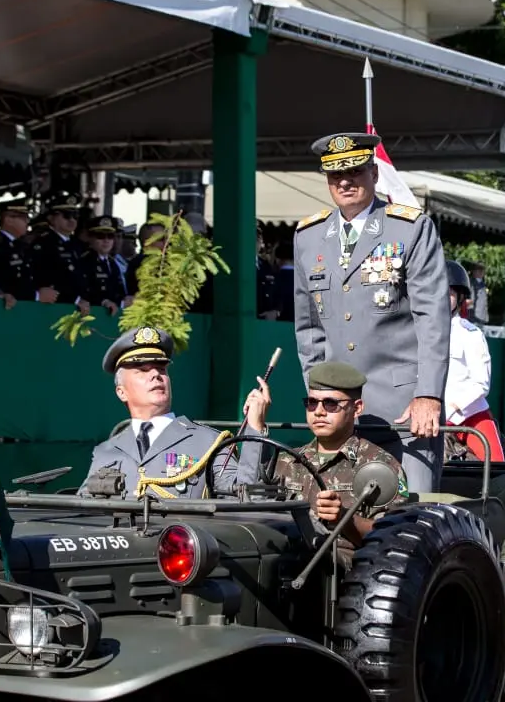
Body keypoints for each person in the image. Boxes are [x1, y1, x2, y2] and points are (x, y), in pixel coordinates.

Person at [292, 132, 450, 492]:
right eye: (335, 176)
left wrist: (428, 395)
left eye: (355, 172)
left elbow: (432, 319)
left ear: (374, 174)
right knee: (336, 519)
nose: (345, 182)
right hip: (338, 412)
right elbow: (309, 329)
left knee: (412, 515)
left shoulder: (409, 228)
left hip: (403, 410)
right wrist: (320, 397)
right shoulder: (309, 236)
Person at [80, 326, 269, 500]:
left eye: (161, 369)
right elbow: (84, 511)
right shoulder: (106, 451)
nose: (156, 375)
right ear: (121, 392)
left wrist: (254, 427)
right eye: (143, 370)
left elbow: (245, 499)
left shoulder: (209, 442)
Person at [273, 362, 405, 558]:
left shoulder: (380, 465)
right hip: (283, 559)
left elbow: (393, 538)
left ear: (357, 408)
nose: (318, 411)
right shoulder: (288, 460)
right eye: (311, 402)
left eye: (330, 403)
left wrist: (344, 518)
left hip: (343, 571)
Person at [443, 260, 505, 461]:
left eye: (450, 293)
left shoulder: (471, 334)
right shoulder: (415, 332)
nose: (443, 298)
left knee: (496, 466)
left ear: (460, 297)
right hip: (428, 415)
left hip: (468, 416)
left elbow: (481, 384)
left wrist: (452, 408)